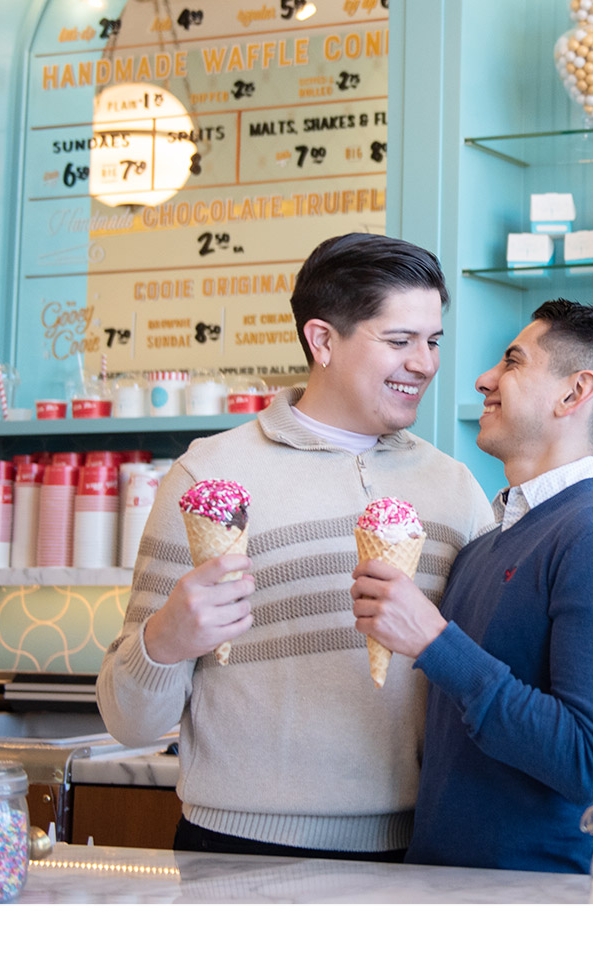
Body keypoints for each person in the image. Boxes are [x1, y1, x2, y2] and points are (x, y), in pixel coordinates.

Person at [96, 233, 493, 861]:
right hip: (240, 851)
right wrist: (165, 640)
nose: (426, 363)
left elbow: (496, 668)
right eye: (399, 341)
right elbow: (130, 721)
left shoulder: (456, 488)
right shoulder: (208, 478)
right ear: (323, 340)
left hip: (423, 848)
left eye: (433, 341)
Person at [350, 298, 593, 873]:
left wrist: (433, 642)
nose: (483, 379)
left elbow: (586, 763)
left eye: (513, 363)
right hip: (445, 885)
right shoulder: (483, 546)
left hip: (543, 899)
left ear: (574, 393)